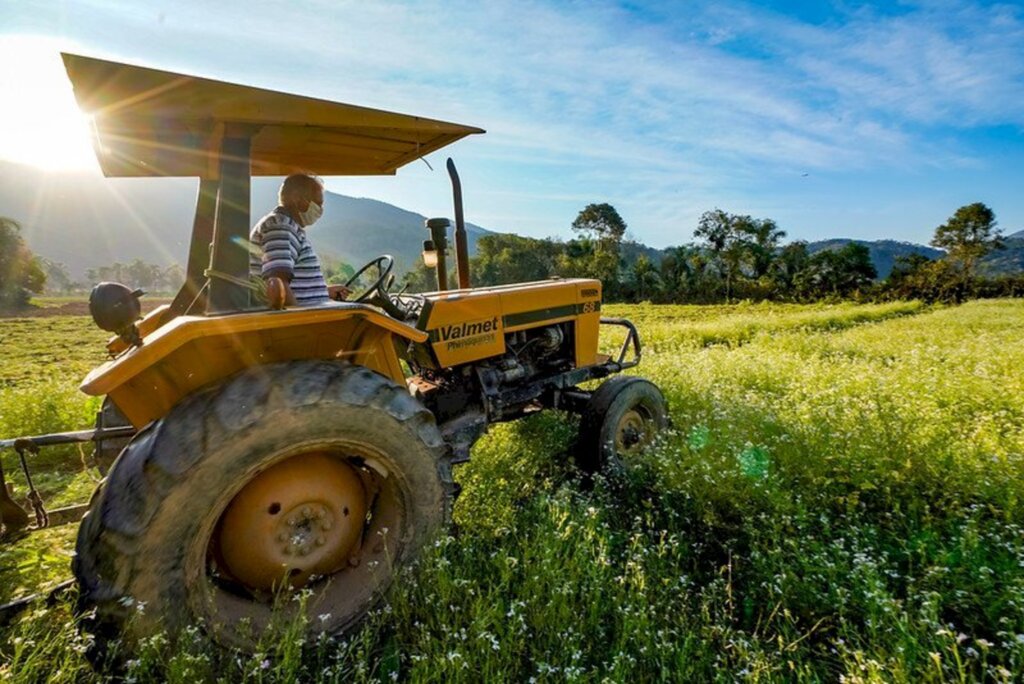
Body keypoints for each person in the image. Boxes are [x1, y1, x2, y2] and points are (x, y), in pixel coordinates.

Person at [249, 173, 350, 307]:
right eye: (318, 203)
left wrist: (325, 292)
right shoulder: (281, 226)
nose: (320, 210)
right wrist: (300, 321)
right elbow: (277, 283)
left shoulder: (289, 227)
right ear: (298, 199)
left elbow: (287, 283)